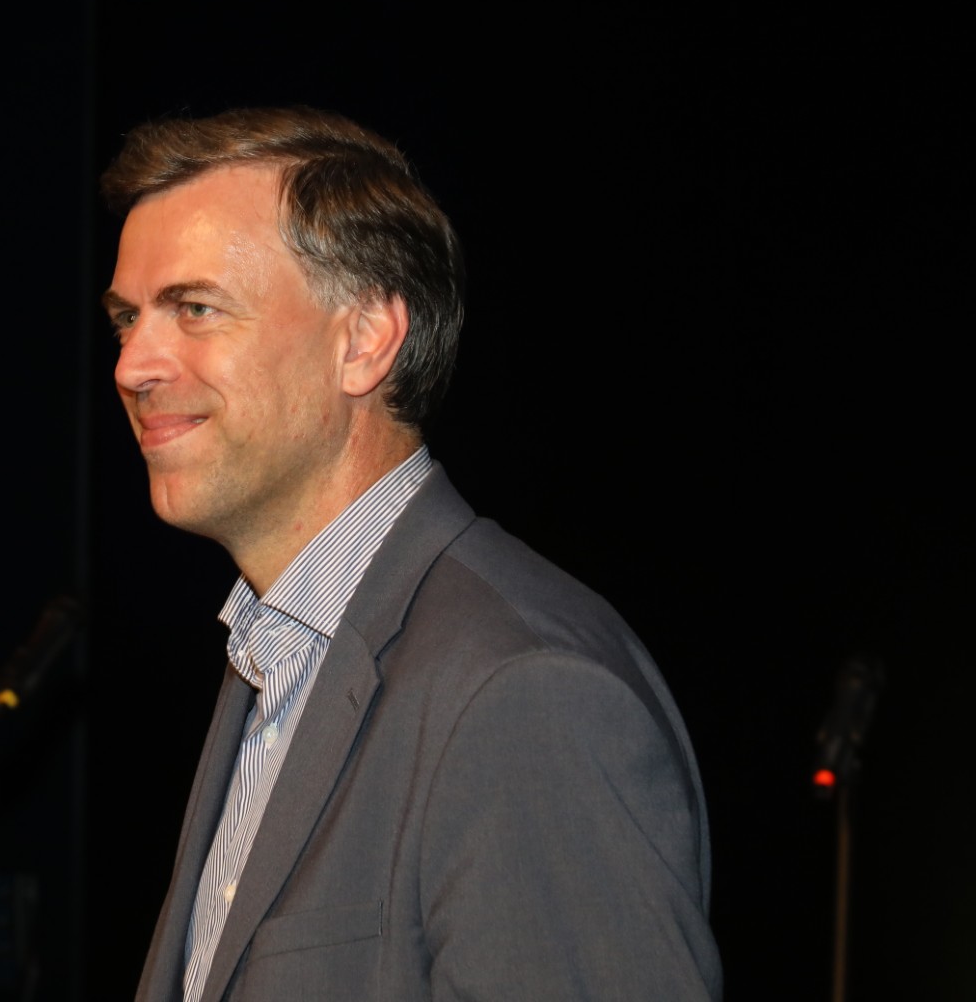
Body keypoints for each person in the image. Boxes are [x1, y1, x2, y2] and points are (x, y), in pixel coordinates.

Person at [99, 107, 722, 1001]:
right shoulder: (274, 656)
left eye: (194, 309)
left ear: (363, 341)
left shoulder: (524, 691)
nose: (132, 365)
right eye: (127, 318)